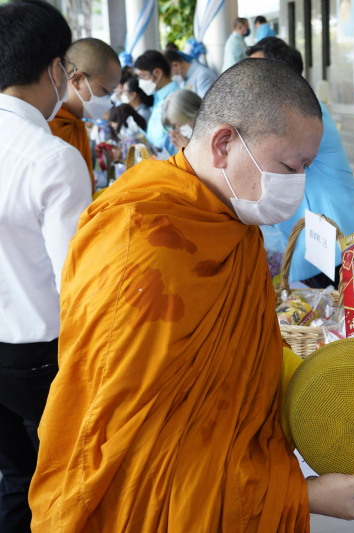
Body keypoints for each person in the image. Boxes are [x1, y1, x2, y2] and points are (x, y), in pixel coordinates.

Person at [29, 57, 354, 533]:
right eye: (290, 166)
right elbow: (136, 449)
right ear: (224, 143)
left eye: (307, 167)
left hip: (227, 470)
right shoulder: (143, 241)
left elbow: (244, 363)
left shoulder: (231, 224)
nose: (298, 185)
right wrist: (299, 497)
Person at [0, 1, 92, 531]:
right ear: (56, 69)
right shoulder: (51, 156)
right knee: (60, 486)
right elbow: (75, 280)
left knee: (14, 478)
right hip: (37, 358)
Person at [247, 37, 354, 287]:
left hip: (344, 242)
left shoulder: (307, 113)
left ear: (281, 76)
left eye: (255, 71)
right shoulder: (279, 113)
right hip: (315, 245)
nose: (246, 80)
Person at [48, 37, 121, 191]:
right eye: (105, 91)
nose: (108, 101)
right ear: (77, 80)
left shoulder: (76, 123)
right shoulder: (46, 122)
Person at [133, 50, 178, 150]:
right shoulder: (158, 98)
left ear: (157, 73)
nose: (140, 82)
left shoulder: (176, 100)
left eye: (142, 76)